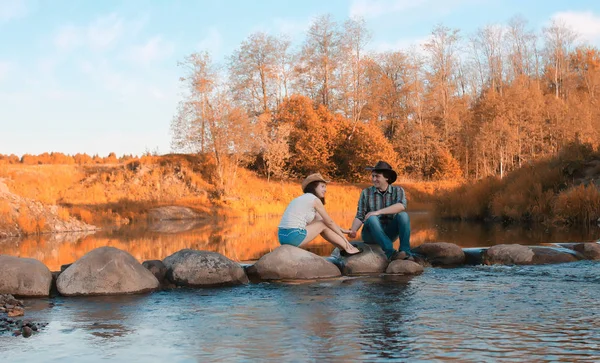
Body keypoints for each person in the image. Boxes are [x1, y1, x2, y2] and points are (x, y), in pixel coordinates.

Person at [278, 173, 362, 256]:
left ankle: (343, 248)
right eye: (322, 186)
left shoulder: (302, 199)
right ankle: (348, 248)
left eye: (325, 187)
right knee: (322, 224)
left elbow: (323, 220)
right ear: (313, 187)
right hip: (293, 236)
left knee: (322, 223)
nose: (325, 190)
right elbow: (328, 222)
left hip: (282, 236)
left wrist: (343, 230)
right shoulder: (314, 200)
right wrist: (344, 238)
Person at [348, 161, 412, 261]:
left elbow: (401, 206)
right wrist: (353, 230)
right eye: (373, 176)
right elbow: (360, 215)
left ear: (386, 177)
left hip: (389, 233)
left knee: (403, 216)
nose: (374, 179)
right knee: (372, 218)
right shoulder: (366, 193)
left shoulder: (398, 191)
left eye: (377, 176)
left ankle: (406, 252)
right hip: (370, 234)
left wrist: (378, 212)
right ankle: (391, 253)